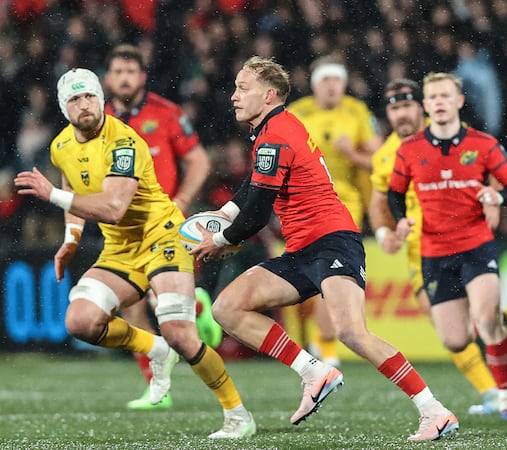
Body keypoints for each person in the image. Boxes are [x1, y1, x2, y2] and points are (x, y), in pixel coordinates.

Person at [190, 56, 458, 442]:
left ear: (268, 95)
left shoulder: (276, 134)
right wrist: (226, 211)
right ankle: (314, 371)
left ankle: (434, 411)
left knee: (351, 332)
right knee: (227, 308)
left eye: (242, 88)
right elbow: (253, 186)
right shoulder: (275, 128)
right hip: (303, 248)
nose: (233, 97)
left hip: (333, 240)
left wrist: (220, 239)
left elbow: (257, 215)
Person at [14, 68, 255, 439]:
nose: (85, 105)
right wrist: (72, 237)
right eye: (75, 100)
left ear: (100, 98)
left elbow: (113, 207)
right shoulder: (61, 146)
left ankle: (237, 414)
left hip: (161, 235)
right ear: (65, 108)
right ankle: (154, 348)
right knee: (80, 321)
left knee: (181, 334)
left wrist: (51, 195)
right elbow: (70, 185)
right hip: (120, 247)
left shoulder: (124, 140)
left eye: (90, 96)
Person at [369, 78, 507, 416]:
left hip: (476, 245)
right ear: (427, 105)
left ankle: (504, 400)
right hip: (431, 253)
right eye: (433, 97)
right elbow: (393, 193)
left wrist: (496, 198)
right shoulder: (407, 149)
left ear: (458, 102)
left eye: (445, 96)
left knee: (485, 321)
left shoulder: (480, 143)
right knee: (456, 339)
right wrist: (397, 221)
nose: (438, 102)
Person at [104, 43, 219, 410]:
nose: (124, 78)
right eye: (118, 72)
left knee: (157, 300)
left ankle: (195, 309)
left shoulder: (166, 114)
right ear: (108, 78)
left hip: (162, 225)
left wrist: (182, 201)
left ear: (142, 77)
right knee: (132, 309)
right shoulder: (97, 120)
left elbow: (199, 161)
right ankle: (159, 388)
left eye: (130, 72)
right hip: (122, 230)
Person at [287, 55, 384, 366]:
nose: (332, 86)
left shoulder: (357, 112)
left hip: (344, 204)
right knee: (317, 273)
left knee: (330, 271)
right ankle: (320, 343)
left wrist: (352, 154)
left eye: (337, 80)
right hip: (303, 202)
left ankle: (325, 348)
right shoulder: (296, 113)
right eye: (326, 80)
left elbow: (382, 161)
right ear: (315, 84)